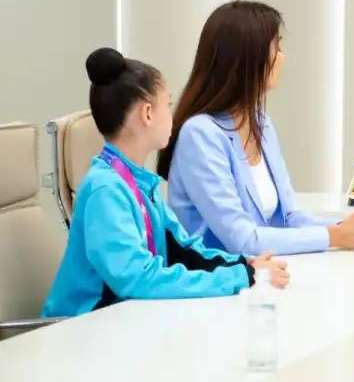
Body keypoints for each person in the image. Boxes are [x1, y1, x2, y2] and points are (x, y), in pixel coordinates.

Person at [43, 48, 289, 317]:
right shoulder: (106, 190)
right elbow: (138, 278)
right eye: (168, 105)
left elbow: (182, 249)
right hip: (81, 332)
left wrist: (244, 265)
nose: (172, 116)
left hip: (121, 322)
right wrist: (241, 276)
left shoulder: (137, 182)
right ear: (148, 113)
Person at [159, 1, 354, 255]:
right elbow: (242, 239)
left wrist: (346, 227)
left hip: (262, 275)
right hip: (219, 283)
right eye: (277, 47)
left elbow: (288, 217)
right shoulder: (200, 134)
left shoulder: (260, 122)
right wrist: (334, 236)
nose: (283, 57)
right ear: (248, 58)